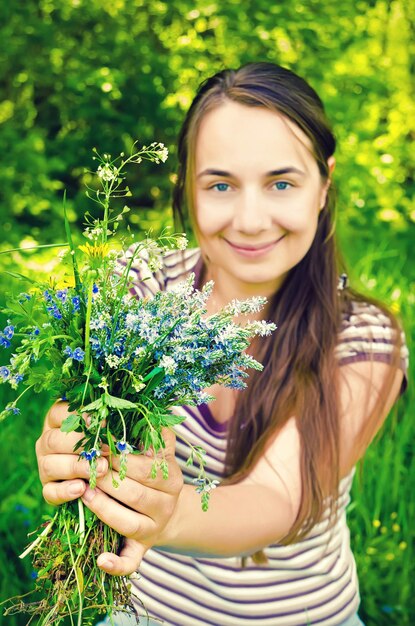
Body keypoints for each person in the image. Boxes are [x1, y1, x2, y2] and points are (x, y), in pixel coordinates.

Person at [36, 62, 408, 626]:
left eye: (281, 183)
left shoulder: (363, 337)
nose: (251, 220)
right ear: (188, 186)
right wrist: (74, 449)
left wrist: (169, 514)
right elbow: (115, 430)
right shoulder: (146, 284)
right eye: (220, 185)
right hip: (144, 612)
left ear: (325, 184)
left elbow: (277, 500)